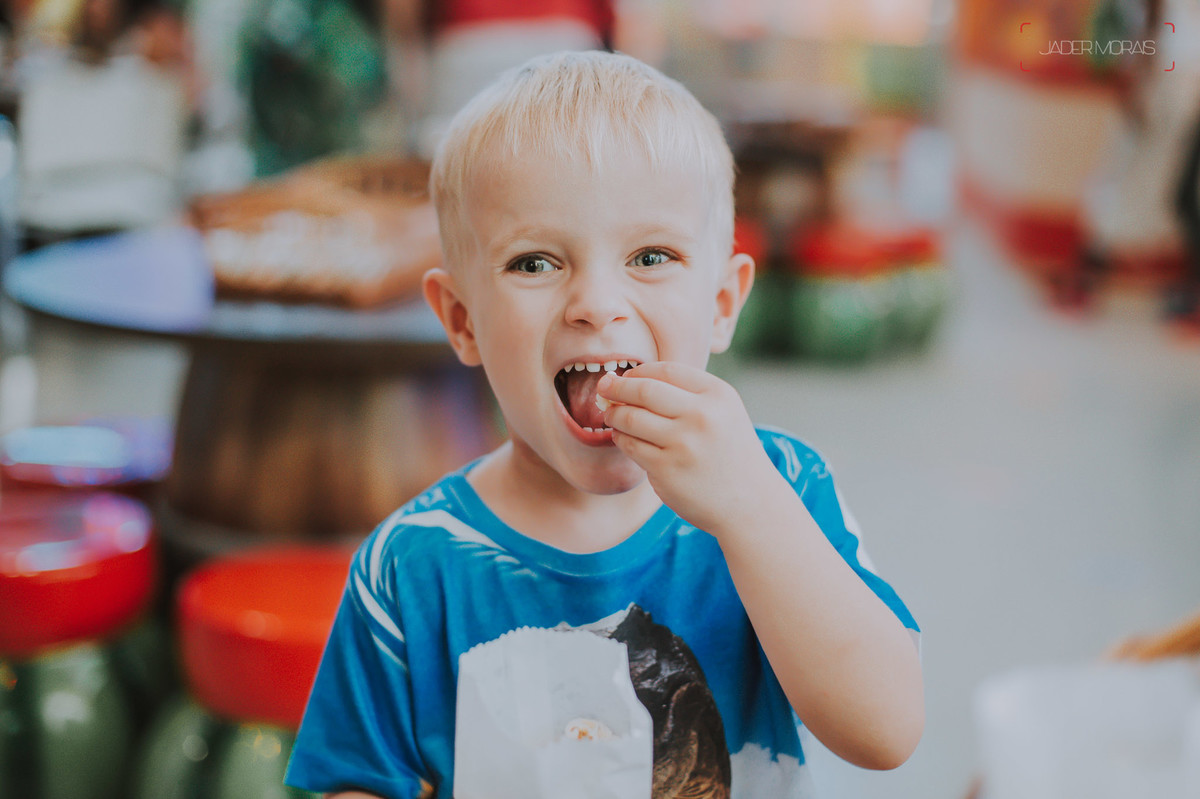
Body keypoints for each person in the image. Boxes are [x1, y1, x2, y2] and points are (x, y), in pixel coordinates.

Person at [285, 50, 924, 799]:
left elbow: (886, 730)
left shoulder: (783, 487)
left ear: (722, 304)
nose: (595, 303)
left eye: (651, 255)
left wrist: (750, 509)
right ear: (462, 320)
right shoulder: (411, 566)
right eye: (535, 263)